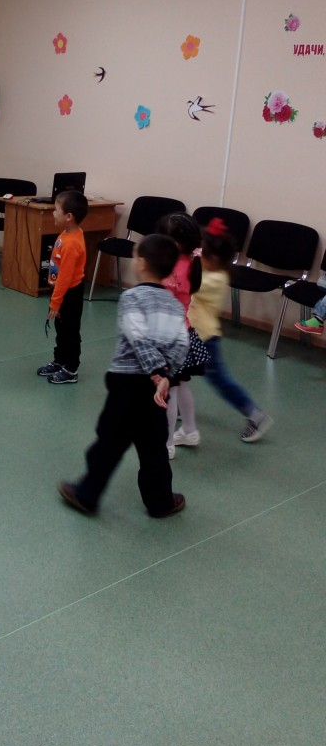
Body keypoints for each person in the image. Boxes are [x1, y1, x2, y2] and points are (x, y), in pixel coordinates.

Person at [57, 233, 189, 519]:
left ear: (142, 263)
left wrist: (156, 372)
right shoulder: (175, 307)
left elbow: (137, 337)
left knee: (109, 442)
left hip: (126, 386)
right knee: (154, 448)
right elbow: (182, 344)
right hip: (156, 392)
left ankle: (86, 495)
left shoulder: (131, 298)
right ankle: (161, 503)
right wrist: (166, 374)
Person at [188, 218, 273, 442]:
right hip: (190, 332)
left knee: (219, 380)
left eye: (202, 253)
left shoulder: (216, 278)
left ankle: (256, 416)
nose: (198, 255)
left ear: (214, 259)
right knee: (177, 372)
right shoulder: (206, 267)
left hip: (205, 337)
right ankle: (176, 405)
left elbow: (190, 284)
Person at [157, 212, 208, 458]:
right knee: (182, 386)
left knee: (169, 392)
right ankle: (189, 430)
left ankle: (166, 444)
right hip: (184, 333)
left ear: (175, 244)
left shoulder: (172, 271)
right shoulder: (189, 261)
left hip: (169, 340)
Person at [37, 189, 89, 384]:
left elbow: (66, 278)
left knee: (70, 331)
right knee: (61, 329)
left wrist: (56, 302)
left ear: (68, 217)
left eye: (56, 210)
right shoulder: (67, 233)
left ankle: (71, 369)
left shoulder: (72, 244)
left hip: (69, 293)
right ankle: (60, 360)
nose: (53, 213)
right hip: (60, 291)